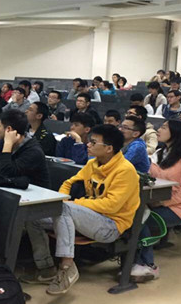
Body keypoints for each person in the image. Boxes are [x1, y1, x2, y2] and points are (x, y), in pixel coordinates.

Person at [23, 125, 140, 295]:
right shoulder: (93, 163)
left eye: (93, 142)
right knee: (34, 217)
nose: (88, 145)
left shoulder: (125, 170)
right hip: (87, 218)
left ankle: (66, 267)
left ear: (109, 148)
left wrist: (74, 204)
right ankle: (46, 269)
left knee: (65, 209)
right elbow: (68, 183)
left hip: (111, 225)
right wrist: (63, 199)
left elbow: (111, 205)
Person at [131, 120, 181, 282]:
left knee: (141, 220)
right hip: (153, 202)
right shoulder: (160, 153)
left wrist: (162, 203)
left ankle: (148, 264)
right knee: (131, 215)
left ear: (176, 133)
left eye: (163, 127)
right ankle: (133, 261)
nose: (158, 130)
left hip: (179, 208)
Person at [0, 109, 50, 188]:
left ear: (8, 129)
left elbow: (6, 173)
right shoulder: (5, 141)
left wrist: (8, 145)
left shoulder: (34, 151)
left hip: (35, 193)